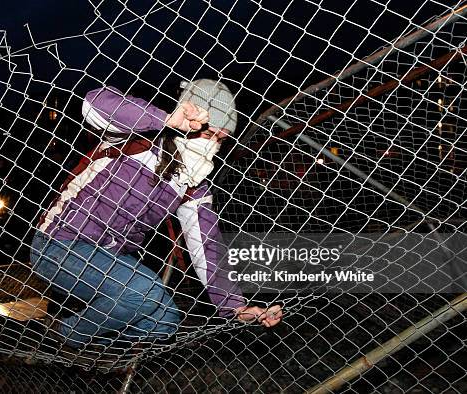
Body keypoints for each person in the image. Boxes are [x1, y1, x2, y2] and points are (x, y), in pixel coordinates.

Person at [30, 79, 282, 348]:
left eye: (221, 141)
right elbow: (94, 102)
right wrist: (166, 119)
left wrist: (236, 309)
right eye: (209, 136)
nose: (212, 148)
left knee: (164, 322)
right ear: (191, 124)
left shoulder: (193, 185)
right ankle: (62, 337)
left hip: (109, 260)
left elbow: (207, 249)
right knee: (145, 293)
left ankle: (86, 344)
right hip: (60, 245)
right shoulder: (139, 139)